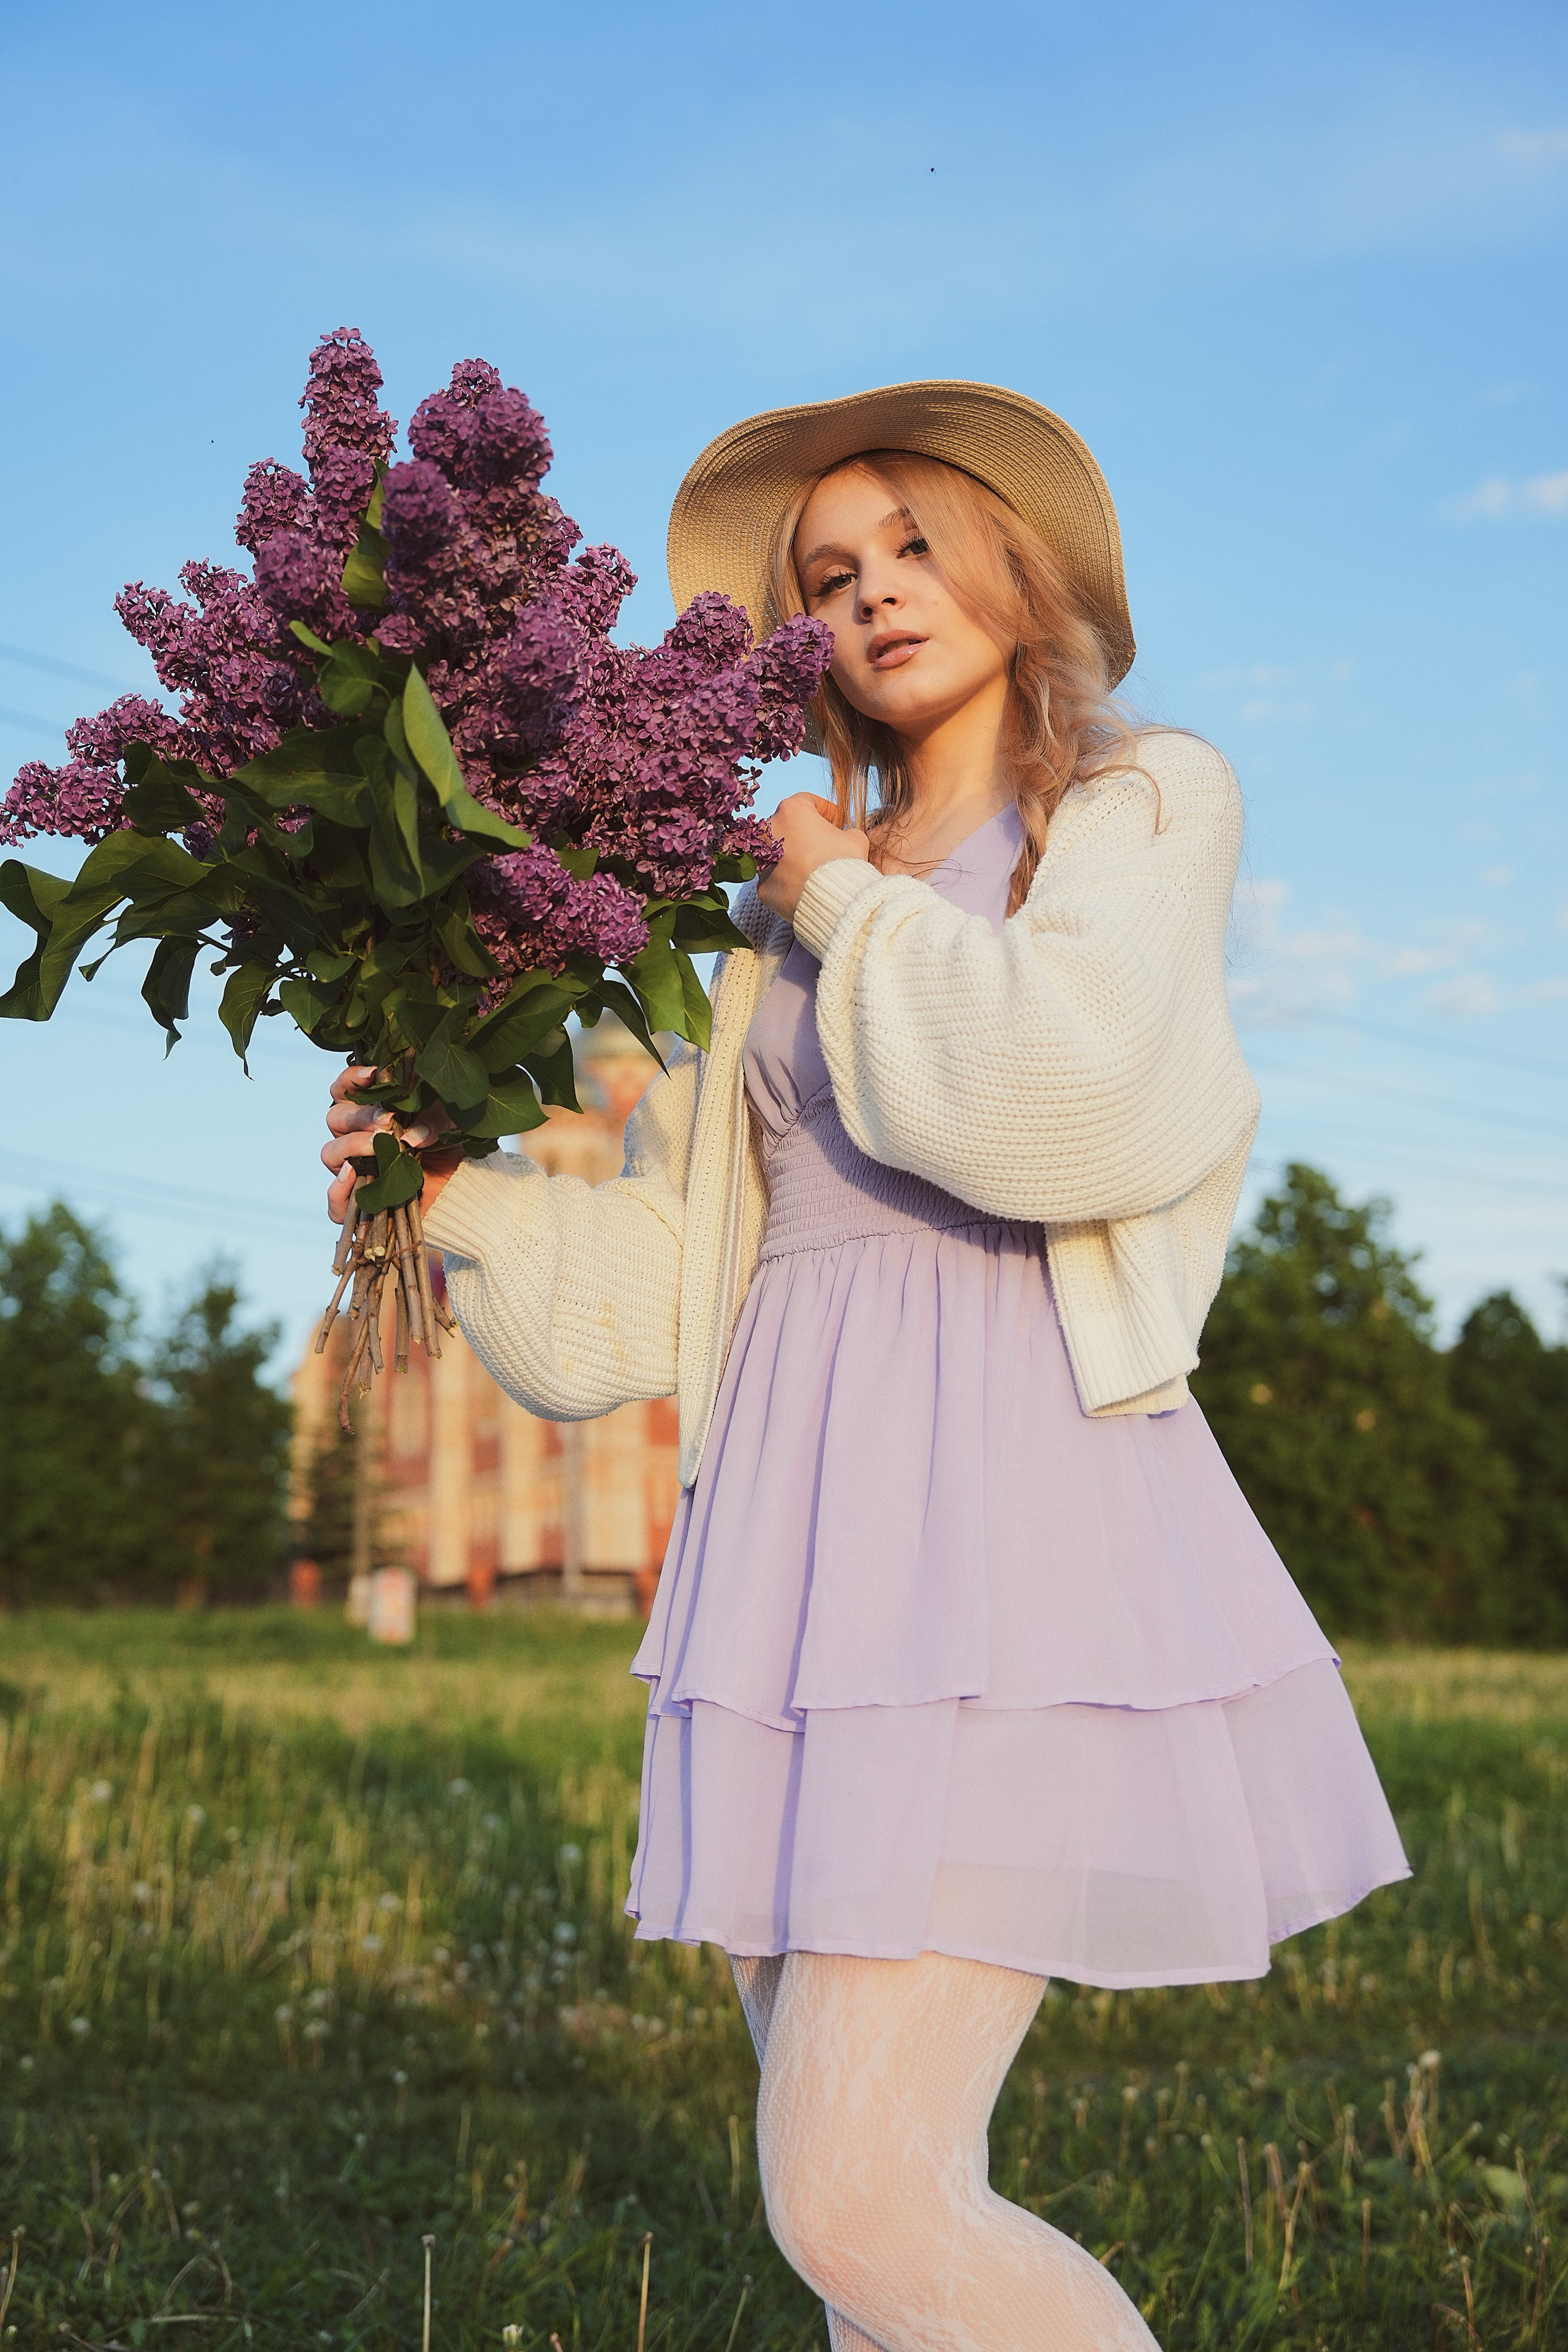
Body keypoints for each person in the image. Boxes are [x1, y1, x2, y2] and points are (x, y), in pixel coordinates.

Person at [322, 381, 1409, 2352]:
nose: (875, 595)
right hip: (798, 1542)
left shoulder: (1139, 802)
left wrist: (834, 884)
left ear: (1020, 552)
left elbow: (1055, 1098)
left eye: (914, 542)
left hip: (1005, 1513)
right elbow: (673, 1283)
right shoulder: (756, 928)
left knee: (856, 2195)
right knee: (867, 2229)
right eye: (830, 578)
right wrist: (449, 1192)